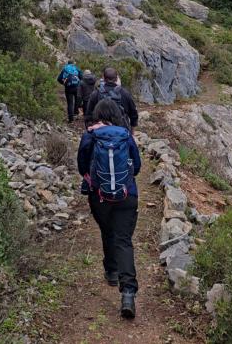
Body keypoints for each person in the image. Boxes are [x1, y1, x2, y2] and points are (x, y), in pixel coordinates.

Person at [77, 98, 141, 318]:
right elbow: (138, 167)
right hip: (127, 195)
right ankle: (128, 294)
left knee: (107, 232)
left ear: (97, 115)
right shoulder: (126, 136)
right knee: (123, 240)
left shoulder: (90, 135)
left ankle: (111, 271)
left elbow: (81, 166)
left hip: (99, 196)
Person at [84, 66, 138, 131]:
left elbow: (89, 115)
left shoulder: (95, 94)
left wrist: (90, 129)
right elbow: (133, 114)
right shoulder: (125, 93)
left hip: (100, 131)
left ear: (103, 78)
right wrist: (132, 131)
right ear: (116, 79)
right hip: (121, 130)